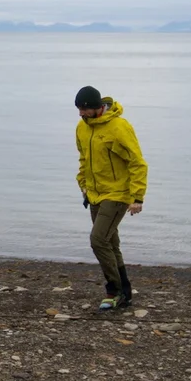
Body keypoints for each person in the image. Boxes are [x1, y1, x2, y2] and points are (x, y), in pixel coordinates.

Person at [74, 85, 148, 311]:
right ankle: (124, 292)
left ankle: (114, 290)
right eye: (78, 109)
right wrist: (83, 185)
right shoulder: (82, 128)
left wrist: (137, 197)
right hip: (95, 195)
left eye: (84, 109)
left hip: (117, 194)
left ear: (98, 107)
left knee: (98, 240)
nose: (81, 114)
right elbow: (84, 159)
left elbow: (137, 162)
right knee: (110, 243)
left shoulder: (119, 127)